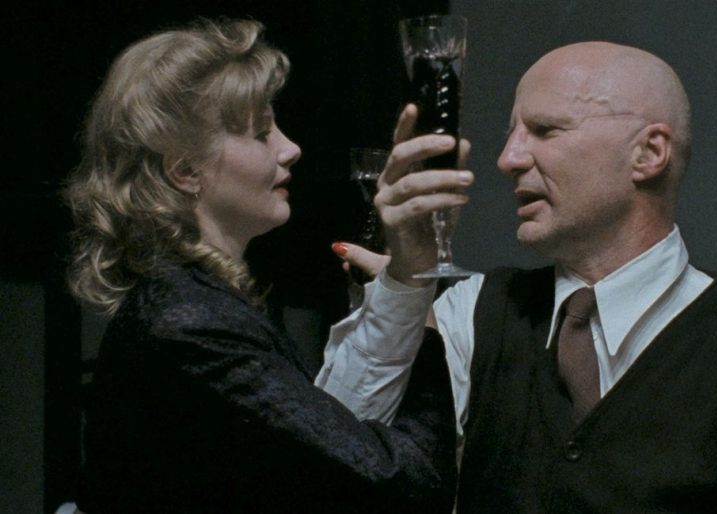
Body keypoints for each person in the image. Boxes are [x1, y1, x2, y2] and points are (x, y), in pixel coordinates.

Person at [318, 42, 717, 512]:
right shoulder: (475, 309)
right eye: (512, 134)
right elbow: (338, 458)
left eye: (545, 130)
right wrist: (405, 280)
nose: (508, 159)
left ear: (649, 153)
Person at [65, 17, 456, 513]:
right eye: (261, 133)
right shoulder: (190, 323)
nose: (291, 149)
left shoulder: (197, 298)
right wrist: (422, 325)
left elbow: (325, 456)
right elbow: (404, 486)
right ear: (184, 169)